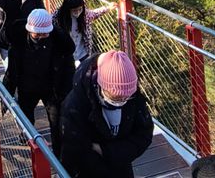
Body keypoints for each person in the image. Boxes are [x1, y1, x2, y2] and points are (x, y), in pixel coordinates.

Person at [0, 9, 74, 155]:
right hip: (26, 86)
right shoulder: (17, 33)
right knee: (26, 116)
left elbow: (69, 68)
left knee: (57, 122)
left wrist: (66, 91)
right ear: (29, 30)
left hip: (52, 88)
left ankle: (59, 157)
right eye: (37, 34)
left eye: (45, 34)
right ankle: (28, 139)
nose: (41, 37)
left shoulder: (59, 40)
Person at [60, 50, 154, 178]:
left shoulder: (132, 95)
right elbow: (72, 149)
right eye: (116, 98)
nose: (122, 102)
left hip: (120, 166)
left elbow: (144, 134)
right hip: (89, 171)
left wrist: (106, 151)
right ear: (101, 86)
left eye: (126, 98)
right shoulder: (76, 104)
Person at [53, 0, 119, 66]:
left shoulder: (84, 15)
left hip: (83, 53)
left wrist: (108, 8)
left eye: (80, 9)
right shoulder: (58, 17)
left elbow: (94, 14)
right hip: (66, 55)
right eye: (74, 10)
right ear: (68, 9)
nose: (78, 12)